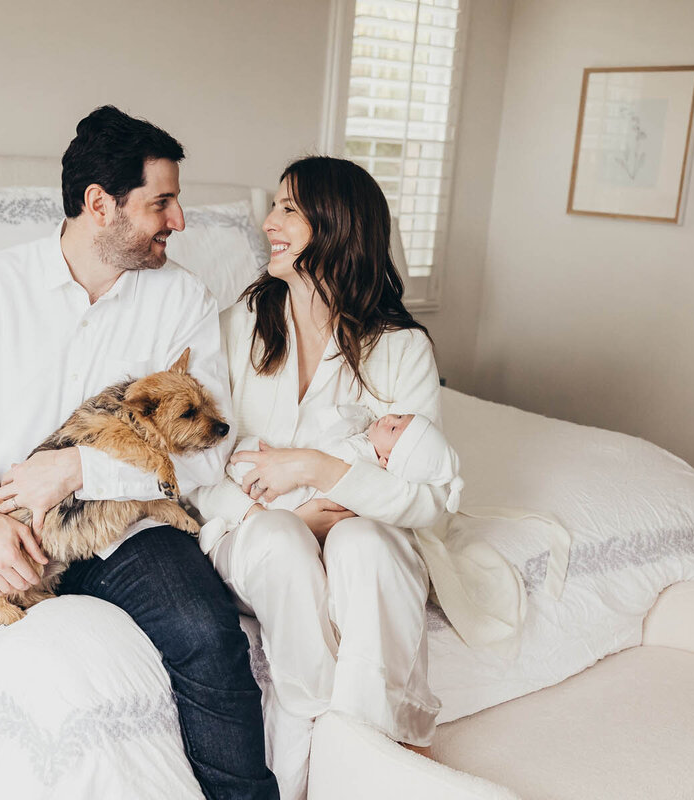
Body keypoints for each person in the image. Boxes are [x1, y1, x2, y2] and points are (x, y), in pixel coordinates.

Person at [0, 106, 279, 799]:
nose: (179, 220)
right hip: (11, 524)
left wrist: (81, 468)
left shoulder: (184, 301)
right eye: (161, 202)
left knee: (209, 635)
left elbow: (203, 458)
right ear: (98, 205)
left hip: (132, 526)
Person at [191, 156, 447, 748]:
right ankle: (317, 733)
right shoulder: (235, 329)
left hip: (365, 528)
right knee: (282, 543)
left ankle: (363, 747)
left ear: (336, 227)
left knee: (365, 546)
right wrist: (276, 516)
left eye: (287, 208)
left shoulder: (403, 349)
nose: (266, 222)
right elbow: (194, 462)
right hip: (253, 531)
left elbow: (427, 495)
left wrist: (313, 468)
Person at [226, 411, 464, 515]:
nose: (390, 417)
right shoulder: (365, 439)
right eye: (399, 416)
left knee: (250, 456)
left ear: (386, 460)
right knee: (252, 450)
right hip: (284, 468)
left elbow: (328, 441)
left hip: (296, 496)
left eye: (393, 428)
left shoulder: (360, 459)